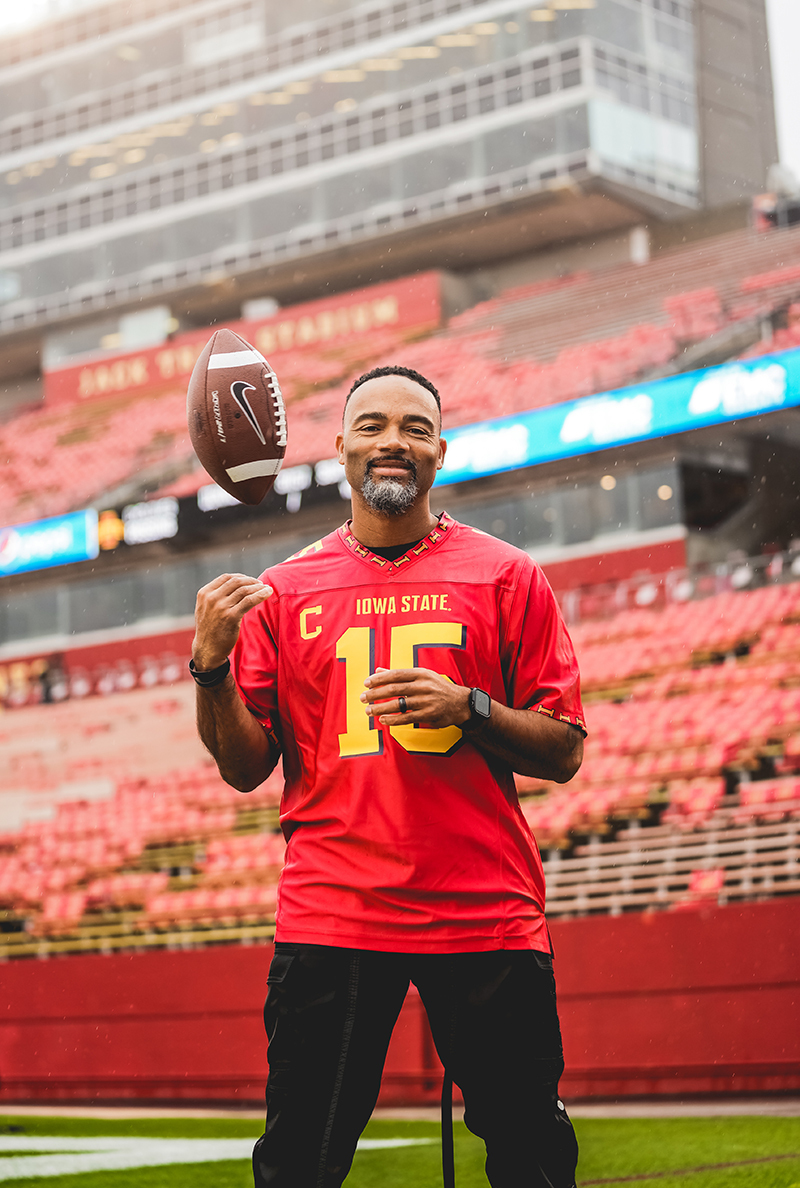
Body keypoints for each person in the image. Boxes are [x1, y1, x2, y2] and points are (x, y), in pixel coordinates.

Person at [190, 365, 586, 1188]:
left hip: (483, 903)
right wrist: (212, 671)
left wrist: (467, 708)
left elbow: (563, 751)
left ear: (441, 450)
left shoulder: (508, 574)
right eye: (371, 425)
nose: (392, 442)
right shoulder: (285, 588)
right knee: (298, 1162)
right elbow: (244, 769)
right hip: (334, 907)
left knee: (533, 1160)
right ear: (339, 448)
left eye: (413, 427)